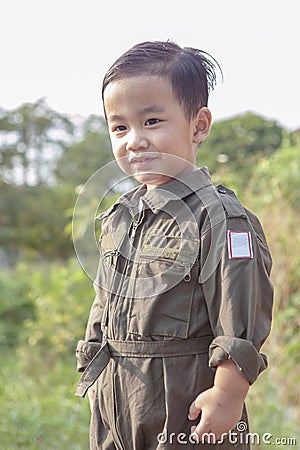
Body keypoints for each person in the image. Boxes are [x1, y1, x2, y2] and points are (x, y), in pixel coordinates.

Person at [75, 41, 273, 449]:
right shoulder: (119, 218)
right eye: (119, 127)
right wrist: (93, 368)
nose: (134, 140)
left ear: (198, 125)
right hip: (119, 399)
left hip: (184, 403)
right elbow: (103, 300)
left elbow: (240, 314)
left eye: (151, 121)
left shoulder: (220, 219)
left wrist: (228, 396)